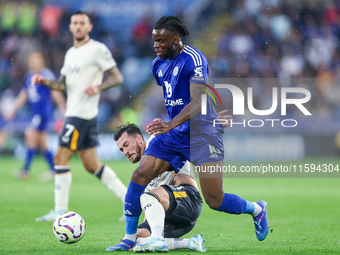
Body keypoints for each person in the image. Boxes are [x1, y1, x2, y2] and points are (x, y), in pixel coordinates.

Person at [109, 16, 269, 252]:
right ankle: (129, 238)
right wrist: (172, 126)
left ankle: (257, 209)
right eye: (154, 41)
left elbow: (199, 100)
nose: (156, 46)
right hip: (174, 135)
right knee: (140, 174)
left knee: (215, 200)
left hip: (203, 136)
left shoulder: (194, 59)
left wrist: (175, 123)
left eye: (161, 41)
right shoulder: (157, 65)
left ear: (176, 39)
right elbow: (176, 98)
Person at [32, 11, 127, 221]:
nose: (77, 26)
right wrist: (44, 81)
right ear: (71, 26)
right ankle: (129, 202)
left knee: (60, 157)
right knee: (92, 165)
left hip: (80, 114)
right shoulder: (70, 53)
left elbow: (117, 76)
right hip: (78, 113)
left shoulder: (97, 49)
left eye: (82, 23)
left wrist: (98, 87)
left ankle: (59, 210)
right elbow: (61, 84)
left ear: (89, 27)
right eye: (74, 23)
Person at [107, 123, 207, 252]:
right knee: (138, 238)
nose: (125, 152)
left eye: (126, 145)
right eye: (121, 149)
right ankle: (189, 243)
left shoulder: (158, 143)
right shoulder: (145, 172)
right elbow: (151, 207)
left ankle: (157, 239)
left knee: (147, 196)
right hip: (175, 218)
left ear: (139, 139)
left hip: (188, 198)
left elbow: (179, 132)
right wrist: (145, 227)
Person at [6, 51, 66, 181]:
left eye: (36, 59)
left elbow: (56, 93)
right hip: (35, 114)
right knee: (42, 142)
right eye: (31, 59)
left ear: (42, 61)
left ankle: (25, 171)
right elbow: (24, 94)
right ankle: (54, 170)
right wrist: (13, 110)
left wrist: (63, 110)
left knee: (30, 134)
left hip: (42, 114)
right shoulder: (29, 76)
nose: (33, 61)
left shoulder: (46, 75)